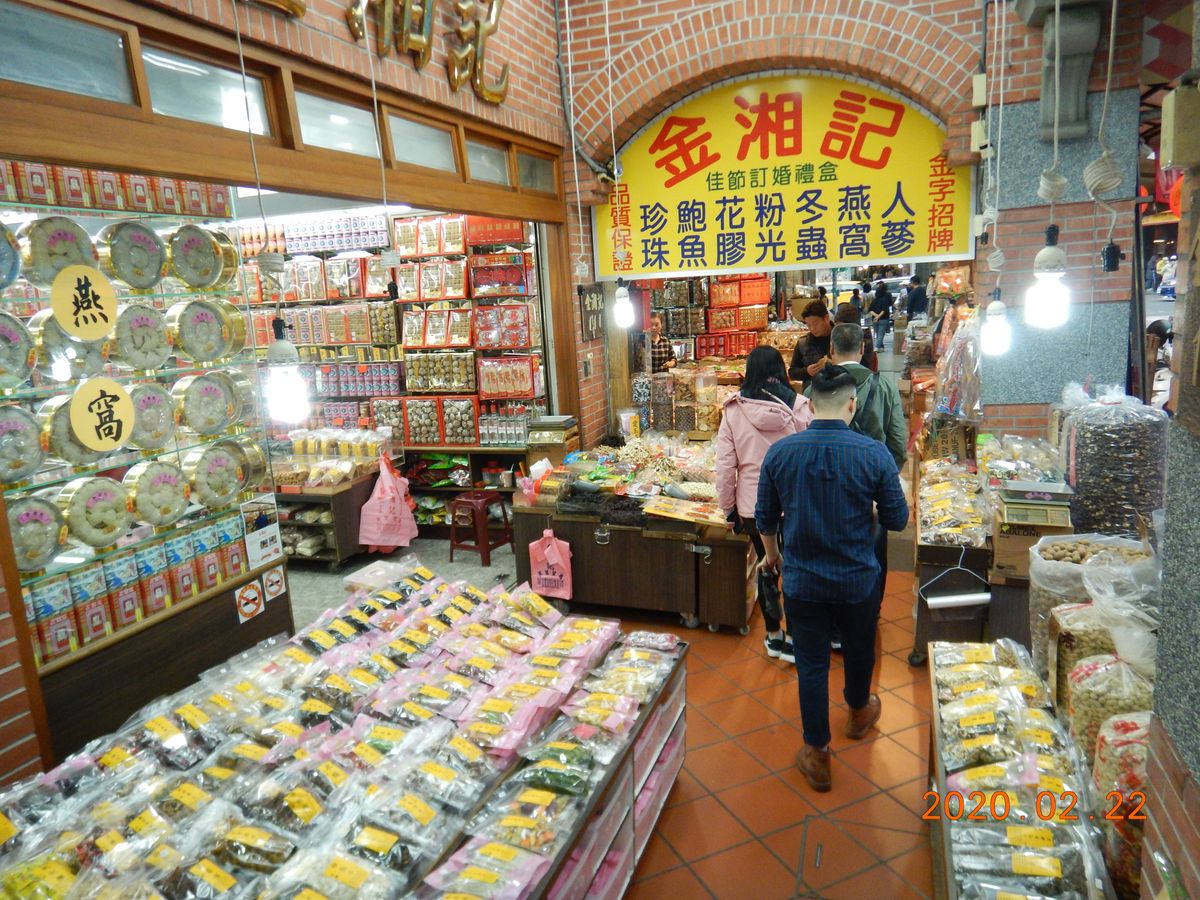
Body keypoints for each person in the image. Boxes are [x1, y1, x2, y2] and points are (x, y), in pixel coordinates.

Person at [757, 364, 909, 792]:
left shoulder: (781, 453)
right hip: (857, 580)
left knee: (811, 664)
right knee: (859, 650)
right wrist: (868, 506)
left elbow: (765, 518)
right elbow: (897, 519)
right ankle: (859, 712)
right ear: (852, 404)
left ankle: (818, 752)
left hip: (803, 581)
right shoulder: (874, 454)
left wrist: (773, 558)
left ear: (809, 404)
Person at [716, 346, 813, 662]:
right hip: (794, 503)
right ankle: (796, 637)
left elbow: (725, 466)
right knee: (795, 567)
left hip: (753, 505)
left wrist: (728, 509)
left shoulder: (734, 410)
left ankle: (773, 635)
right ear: (781, 369)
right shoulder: (800, 407)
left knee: (766, 565)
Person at [787, 300, 833, 384]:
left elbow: (853, 366)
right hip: (812, 389)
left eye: (815, 324)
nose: (812, 328)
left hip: (839, 388)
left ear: (826, 318)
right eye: (808, 325)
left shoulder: (841, 338)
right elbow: (792, 373)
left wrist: (833, 364)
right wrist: (807, 371)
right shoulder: (803, 343)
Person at [834, 303, 876, 373]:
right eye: (836, 326)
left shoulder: (863, 339)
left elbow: (858, 365)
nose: (837, 331)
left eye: (840, 327)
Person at [868, 281, 892, 351]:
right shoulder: (884, 300)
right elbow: (884, 310)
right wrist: (878, 316)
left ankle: (881, 347)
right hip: (883, 319)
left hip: (874, 320)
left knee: (878, 334)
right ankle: (877, 347)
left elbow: (870, 310)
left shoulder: (874, 301)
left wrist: (876, 316)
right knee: (881, 334)